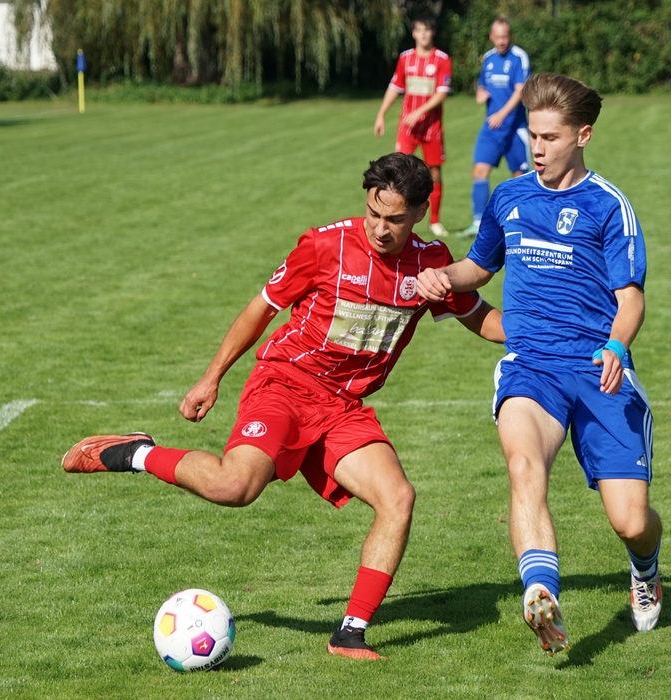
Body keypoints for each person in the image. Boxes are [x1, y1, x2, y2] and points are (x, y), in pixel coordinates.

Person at [62, 153, 504, 661]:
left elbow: (480, 318)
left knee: (397, 497)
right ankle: (135, 453)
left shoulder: (432, 263)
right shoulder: (325, 245)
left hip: (342, 406)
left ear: (421, 212)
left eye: (395, 219)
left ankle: (350, 634)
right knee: (234, 487)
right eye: (373, 213)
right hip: (286, 385)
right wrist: (211, 377)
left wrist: (548, 334)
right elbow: (261, 308)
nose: (381, 228)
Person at [417, 73, 663, 656]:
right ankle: (540, 590)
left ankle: (646, 568)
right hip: (532, 366)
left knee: (630, 522)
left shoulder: (609, 206)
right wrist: (443, 276)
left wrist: (617, 346)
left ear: (583, 135)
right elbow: (479, 267)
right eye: (533, 135)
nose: (538, 147)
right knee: (524, 465)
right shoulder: (509, 197)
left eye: (550, 137)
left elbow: (630, 299)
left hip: (600, 369)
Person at [374, 16, 452, 238]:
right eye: (419, 30)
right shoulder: (405, 58)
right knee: (399, 170)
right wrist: (381, 114)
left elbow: (442, 92)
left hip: (431, 127)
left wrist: (420, 111)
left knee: (434, 172)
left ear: (432, 33)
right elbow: (395, 87)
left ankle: (434, 221)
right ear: (414, 33)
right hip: (408, 128)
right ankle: (398, 216)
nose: (423, 34)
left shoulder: (442, 59)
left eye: (427, 30)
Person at [458, 16, 531, 238]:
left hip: (515, 127)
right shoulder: (488, 58)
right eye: (498, 37)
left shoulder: (519, 57)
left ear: (510, 36)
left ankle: (522, 224)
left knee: (520, 176)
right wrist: (480, 93)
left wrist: (502, 114)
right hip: (491, 128)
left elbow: (521, 91)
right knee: (479, 170)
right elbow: (482, 84)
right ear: (491, 36)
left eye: (505, 37)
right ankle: (478, 223)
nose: (501, 41)